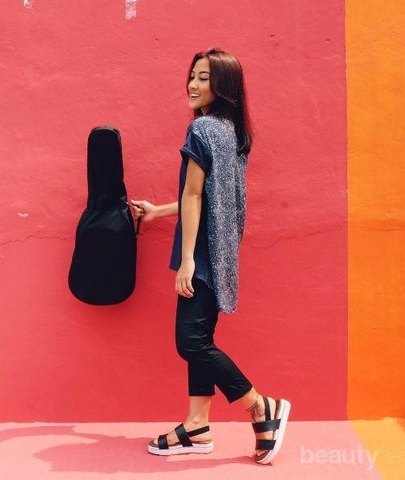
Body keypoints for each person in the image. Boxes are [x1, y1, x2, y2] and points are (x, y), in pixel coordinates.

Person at [130, 47, 291, 464]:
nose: (193, 84)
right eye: (193, 76)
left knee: (191, 342)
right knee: (201, 339)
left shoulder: (201, 130)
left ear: (223, 86)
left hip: (200, 254)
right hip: (221, 253)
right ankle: (197, 425)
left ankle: (261, 406)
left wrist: (187, 260)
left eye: (204, 78)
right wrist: (159, 211)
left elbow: (195, 195)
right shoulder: (232, 133)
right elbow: (209, 198)